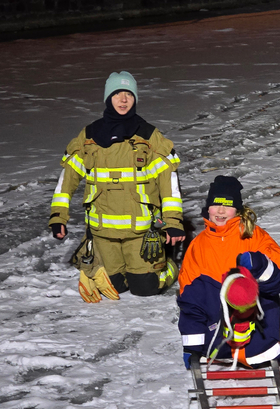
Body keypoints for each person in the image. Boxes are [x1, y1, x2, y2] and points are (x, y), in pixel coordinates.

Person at [48, 71, 185, 302]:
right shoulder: (89, 136)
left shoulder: (149, 136)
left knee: (145, 288)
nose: (123, 99)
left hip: (141, 232)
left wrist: (173, 223)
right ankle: (122, 271)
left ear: (135, 99)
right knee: (113, 288)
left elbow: (169, 184)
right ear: (107, 98)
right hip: (102, 231)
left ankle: (169, 263)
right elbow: (67, 180)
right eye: (117, 94)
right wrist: (58, 217)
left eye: (129, 94)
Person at [177, 175, 280, 369]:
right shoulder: (198, 247)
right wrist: (192, 347)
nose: (220, 211)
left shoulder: (254, 236)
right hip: (216, 333)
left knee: (253, 292)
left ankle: (257, 347)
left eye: (228, 205)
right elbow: (190, 300)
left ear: (237, 210)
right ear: (208, 208)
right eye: (216, 204)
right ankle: (222, 348)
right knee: (200, 292)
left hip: (255, 324)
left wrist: (261, 266)